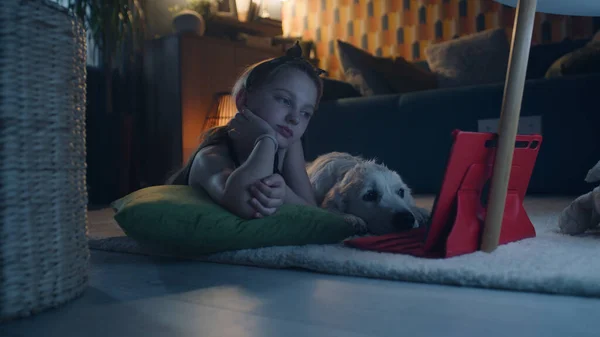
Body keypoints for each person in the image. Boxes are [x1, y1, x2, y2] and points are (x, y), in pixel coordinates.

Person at [167, 42, 327, 220]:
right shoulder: (209, 157)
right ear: (243, 100)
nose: (295, 119)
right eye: (284, 100)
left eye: (305, 113)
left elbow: (314, 214)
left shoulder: (289, 145)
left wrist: (286, 196)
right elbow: (246, 204)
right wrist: (266, 140)